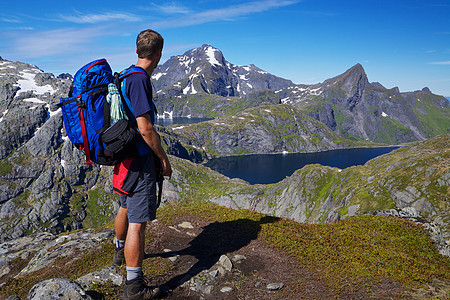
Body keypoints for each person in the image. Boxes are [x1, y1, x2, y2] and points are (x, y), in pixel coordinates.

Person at [112, 29, 172, 300]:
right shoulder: (139, 81)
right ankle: (134, 287)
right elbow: (145, 129)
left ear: (137, 51)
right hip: (139, 160)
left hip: (124, 158)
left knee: (125, 206)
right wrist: (162, 158)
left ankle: (119, 252)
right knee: (138, 222)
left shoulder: (125, 75)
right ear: (158, 54)